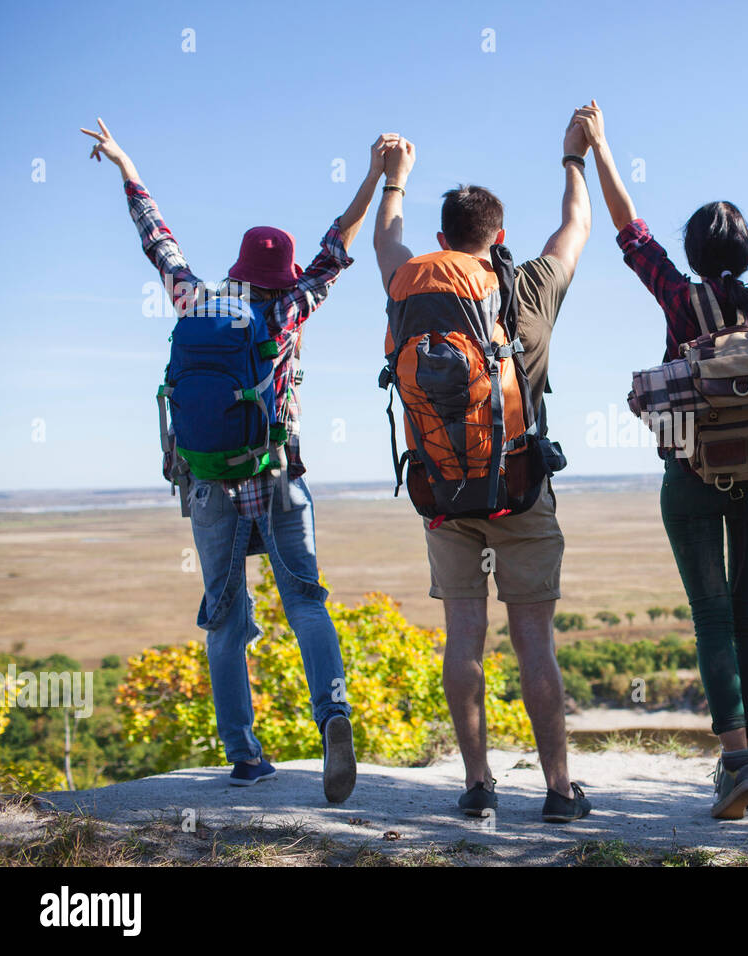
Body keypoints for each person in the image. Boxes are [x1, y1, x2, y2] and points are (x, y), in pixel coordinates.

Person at [81, 117, 392, 802]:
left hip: (209, 484)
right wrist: (377, 173)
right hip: (278, 477)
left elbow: (155, 239)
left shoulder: (197, 298)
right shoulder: (289, 311)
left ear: (236, 269)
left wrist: (127, 163)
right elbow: (334, 247)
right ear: (280, 276)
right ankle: (334, 714)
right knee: (306, 602)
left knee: (226, 616)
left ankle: (245, 757)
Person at [573, 101, 748, 819]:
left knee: (711, 617)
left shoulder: (680, 298)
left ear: (691, 250)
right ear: (745, 254)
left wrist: (599, 146)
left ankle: (736, 759)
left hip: (689, 479)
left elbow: (630, 232)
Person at [371, 114, 592, 823]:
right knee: (535, 644)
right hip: (520, 490)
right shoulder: (525, 288)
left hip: (440, 491)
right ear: (496, 237)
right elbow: (576, 227)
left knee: (463, 638)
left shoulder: (407, 283)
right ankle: (559, 792)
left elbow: (384, 238)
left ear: (442, 241)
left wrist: (395, 178)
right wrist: (573, 157)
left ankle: (477, 784)